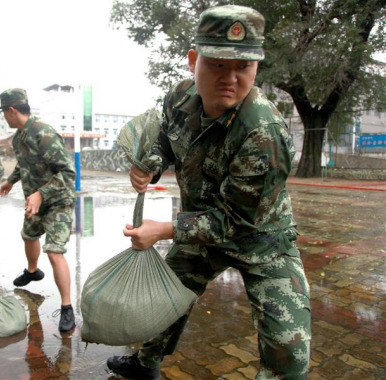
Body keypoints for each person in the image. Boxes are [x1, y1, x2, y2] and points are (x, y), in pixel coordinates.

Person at [106, 5, 311, 380]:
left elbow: (236, 221)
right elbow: (167, 137)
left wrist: (164, 229)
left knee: (289, 351)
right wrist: (150, 162)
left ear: (256, 68)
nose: (231, 78)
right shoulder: (180, 98)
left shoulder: (265, 133)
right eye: (217, 64)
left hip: (260, 240)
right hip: (198, 230)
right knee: (163, 302)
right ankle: (145, 364)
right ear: (192, 60)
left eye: (244, 67)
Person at [0, 88, 76, 333]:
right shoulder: (18, 137)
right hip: (35, 202)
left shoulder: (43, 132)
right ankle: (32, 272)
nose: (4, 118)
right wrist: (10, 180)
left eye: (4, 113)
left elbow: (67, 173)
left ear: (12, 110)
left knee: (54, 251)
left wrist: (41, 193)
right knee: (29, 235)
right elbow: (24, 166)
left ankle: (67, 307)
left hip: (57, 201)